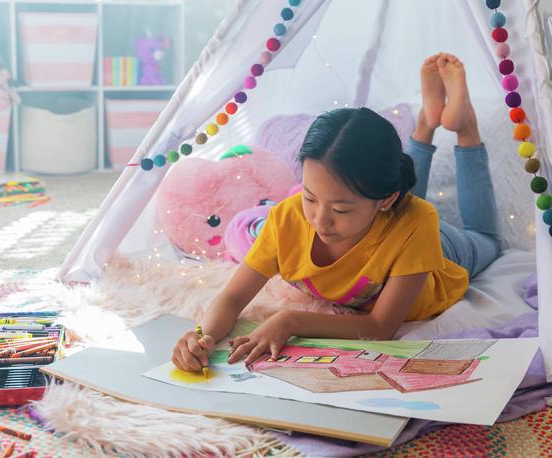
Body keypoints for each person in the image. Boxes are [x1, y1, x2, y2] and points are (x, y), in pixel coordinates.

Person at [172, 53, 501, 372]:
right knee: (397, 203)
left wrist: (289, 320)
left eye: (340, 209)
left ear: (385, 200)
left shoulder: (418, 221)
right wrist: (203, 336)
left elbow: (380, 326)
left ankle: (465, 129)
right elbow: (231, 296)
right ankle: (426, 123)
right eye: (310, 197)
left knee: (487, 239)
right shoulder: (287, 219)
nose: (319, 220)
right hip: (391, 219)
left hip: (443, 252)